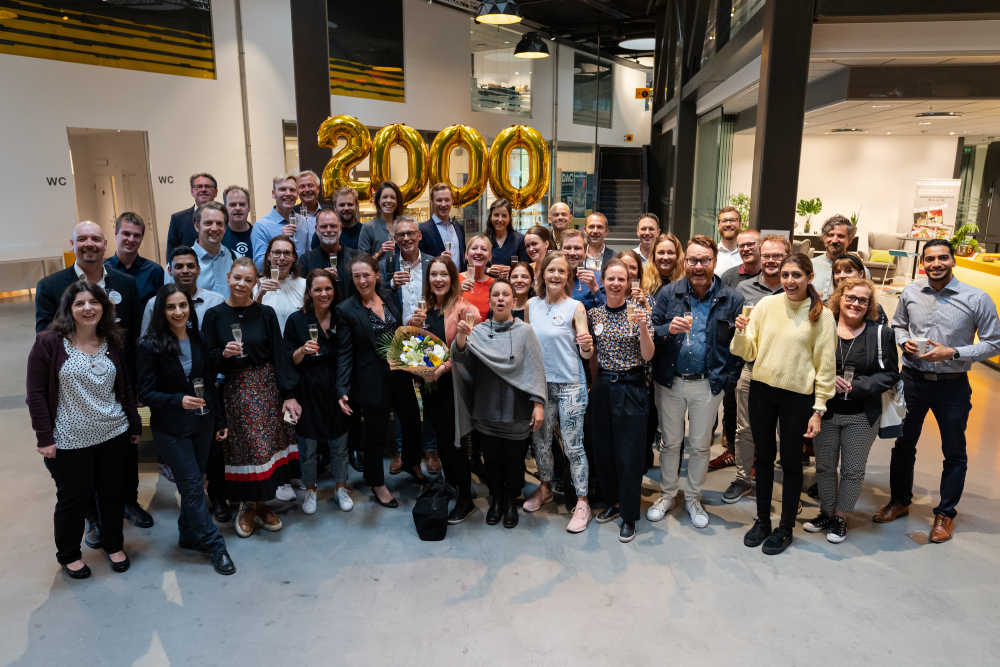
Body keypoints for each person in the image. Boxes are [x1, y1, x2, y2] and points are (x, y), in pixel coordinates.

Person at [877, 239, 1000, 543]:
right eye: (930, 259)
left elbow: (994, 342)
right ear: (923, 263)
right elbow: (899, 324)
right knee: (903, 445)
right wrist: (903, 340)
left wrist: (953, 353)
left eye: (942, 258)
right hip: (912, 382)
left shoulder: (977, 298)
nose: (936, 264)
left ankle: (945, 513)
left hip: (952, 387)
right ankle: (900, 501)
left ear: (953, 261)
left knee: (954, 452)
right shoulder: (910, 291)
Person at [34, 222, 147, 540]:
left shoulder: (125, 283)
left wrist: (136, 386)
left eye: (96, 238)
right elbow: (43, 334)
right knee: (82, 458)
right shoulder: (51, 285)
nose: (89, 244)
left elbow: (135, 336)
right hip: (74, 387)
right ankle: (92, 517)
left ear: (105, 244)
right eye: (82, 238)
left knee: (123, 451)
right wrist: (88, 316)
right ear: (72, 243)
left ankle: (129, 502)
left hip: (118, 382)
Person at [27, 281, 142, 578]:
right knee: (73, 499)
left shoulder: (112, 340)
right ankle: (68, 554)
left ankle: (113, 543)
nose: (87, 308)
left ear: (104, 307)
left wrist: (134, 422)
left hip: (113, 433)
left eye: (94, 302)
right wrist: (44, 437)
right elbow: (36, 393)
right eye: (79, 303)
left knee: (113, 493)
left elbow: (125, 385)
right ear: (69, 309)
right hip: (69, 439)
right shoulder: (49, 342)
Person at [731, 254, 835, 555]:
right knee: (762, 459)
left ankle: (785, 527)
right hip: (762, 391)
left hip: (797, 398)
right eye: (786, 275)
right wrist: (740, 330)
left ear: (809, 277)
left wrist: (819, 409)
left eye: (797, 275)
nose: (790, 281)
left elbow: (825, 366)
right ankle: (763, 520)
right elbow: (747, 352)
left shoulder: (821, 314)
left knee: (790, 464)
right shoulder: (766, 306)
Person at [136, 285, 235, 575]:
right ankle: (215, 545)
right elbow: (146, 393)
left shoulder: (198, 338)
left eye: (183, 305)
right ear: (161, 312)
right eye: (171, 307)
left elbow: (208, 382)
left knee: (195, 481)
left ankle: (187, 534)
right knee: (192, 485)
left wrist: (219, 421)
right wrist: (178, 400)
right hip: (171, 428)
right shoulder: (149, 346)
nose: (178, 312)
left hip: (202, 423)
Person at [202, 258, 302, 538]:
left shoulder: (266, 313)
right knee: (247, 450)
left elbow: (280, 355)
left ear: (256, 283)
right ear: (228, 277)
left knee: (267, 450)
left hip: (267, 388)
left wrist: (289, 394)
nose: (242, 284)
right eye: (237, 278)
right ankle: (247, 506)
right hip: (235, 390)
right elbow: (206, 359)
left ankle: (260, 505)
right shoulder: (214, 315)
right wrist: (223, 354)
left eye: (248, 280)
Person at [648, 236, 743, 528]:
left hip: (708, 383)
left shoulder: (733, 298)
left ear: (715, 262)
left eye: (704, 260)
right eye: (692, 260)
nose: (698, 266)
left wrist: (728, 380)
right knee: (670, 443)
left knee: (701, 446)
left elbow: (740, 345)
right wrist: (667, 328)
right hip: (670, 381)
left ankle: (692, 497)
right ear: (684, 262)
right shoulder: (669, 292)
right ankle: (667, 495)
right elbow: (650, 331)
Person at [802, 279, 898, 544]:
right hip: (825, 411)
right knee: (824, 467)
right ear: (840, 298)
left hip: (861, 414)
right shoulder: (822, 326)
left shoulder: (881, 334)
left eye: (863, 300)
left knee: (853, 470)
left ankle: (840, 518)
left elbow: (891, 374)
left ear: (869, 305)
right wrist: (827, 378)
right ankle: (826, 512)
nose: (856, 303)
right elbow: (804, 362)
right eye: (851, 297)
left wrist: (858, 386)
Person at [453, 278, 547, 529]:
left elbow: (536, 369)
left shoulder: (525, 331)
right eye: (496, 295)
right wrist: (461, 338)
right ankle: (495, 499)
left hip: (517, 410)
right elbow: (461, 360)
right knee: (491, 460)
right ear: (490, 301)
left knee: (514, 461)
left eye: (507, 294)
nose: (501, 299)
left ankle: (510, 500)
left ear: (514, 301)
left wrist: (538, 403)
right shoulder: (479, 331)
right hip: (486, 409)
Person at [336, 254, 427, 508]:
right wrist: (342, 388)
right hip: (370, 380)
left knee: (411, 421)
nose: (362, 280)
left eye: (367, 274)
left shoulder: (388, 295)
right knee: (375, 435)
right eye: (357, 276)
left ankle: (410, 462)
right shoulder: (345, 310)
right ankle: (376, 482)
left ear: (377, 275)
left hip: (399, 373)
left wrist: (416, 367)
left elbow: (398, 334)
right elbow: (345, 353)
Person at [522, 252, 595, 532]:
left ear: (568, 276)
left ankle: (582, 500)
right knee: (540, 441)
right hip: (541, 385)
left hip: (571, 385)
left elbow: (586, 352)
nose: (555, 275)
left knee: (574, 445)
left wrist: (587, 345)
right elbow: (529, 349)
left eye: (561, 272)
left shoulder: (576, 307)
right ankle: (545, 488)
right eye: (551, 270)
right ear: (542, 274)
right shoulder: (531, 305)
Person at [408, 257, 482, 523]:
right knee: (441, 441)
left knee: (455, 444)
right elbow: (414, 345)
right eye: (433, 275)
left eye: (444, 275)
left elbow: (472, 351)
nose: (438, 280)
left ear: (453, 278)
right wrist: (413, 326)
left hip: (454, 386)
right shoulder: (425, 308)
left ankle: (466, 500)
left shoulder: (465, 308)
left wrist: (442, 369)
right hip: (431, 388)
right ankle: (452, 485)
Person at [588, 259, 655, 543]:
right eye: (611, 279)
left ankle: (628, 515)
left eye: (621, 279)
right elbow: (591, 353)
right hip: (604, 387)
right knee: (603, 450)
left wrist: (642, 327)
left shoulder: (639, 312)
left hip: (632, 386)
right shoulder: (594, 315)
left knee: (629, 455)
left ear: (629, 283)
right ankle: (612, 502)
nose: (616, 283)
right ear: (602, 281)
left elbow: (649, 355)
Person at [722, 234, 789, 504]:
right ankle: (742, 478)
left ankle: (786, 488)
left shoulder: (797, 289)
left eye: (778, 256)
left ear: (787, 256)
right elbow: (734, 329)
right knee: (744, 429)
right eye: (768, 255)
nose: (771, 260)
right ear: (760, 257)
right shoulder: (745, 289)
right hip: (752, 368)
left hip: (788, 373)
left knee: (786, 432)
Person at [284, 270, 353, 514]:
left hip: (337, 387)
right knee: (308, 445)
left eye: (328, 289)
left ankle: (340, 488)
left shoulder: (342, 316)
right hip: (307, 389)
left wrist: (343, 388)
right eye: (318, 290)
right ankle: (310, 490)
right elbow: (288, 359)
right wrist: (302, 350)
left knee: (339, 443)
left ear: (335, 291)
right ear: (309, 292)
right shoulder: (296, 320)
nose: (323, 294)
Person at [711, 227, 762, 472]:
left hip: (763, 356)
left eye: (752, 244)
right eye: (742, 245)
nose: (746, 249)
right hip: (735, 352)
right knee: (730, 406)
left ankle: (755, 459)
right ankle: (732, 451)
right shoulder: (730, 276)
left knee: (758, 411)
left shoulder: (774, 278)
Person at [140, 247, 225, 336]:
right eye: (179, 266)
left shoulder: (216, 302)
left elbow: (223, 339)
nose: (185, 271)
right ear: (170, 271)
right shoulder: (154, 303)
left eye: (190, 266)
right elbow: (145, 342)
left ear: (198, 270)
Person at [166, 202, 235, 299]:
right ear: (196, 226)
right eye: (208, 223)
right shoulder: (177, 265)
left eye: (219, 223)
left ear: (225, 227)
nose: (214, 228)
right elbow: (170, 301)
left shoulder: (236, 259)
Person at [104, 212, 163, 312]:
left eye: (136, 235)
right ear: (116, 234)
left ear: (142, 238)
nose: (131, 239)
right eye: (126, 234)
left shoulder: (155, 271)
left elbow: (161, 307)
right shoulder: (102, 268)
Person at [380, 216, 433, 325]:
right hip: (398, 335)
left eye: (410, 233)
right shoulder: (386, 265)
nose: (405, 238)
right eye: (401, 234)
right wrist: (391, 285)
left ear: (419, 236)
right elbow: (375, 297)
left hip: (429, 333)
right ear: (395, 239)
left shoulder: (432, 264)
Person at [298, 206, 359, 300]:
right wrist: (319, 278)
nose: (329, 230)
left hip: (350, 314)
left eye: (333, 226)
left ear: (340, 228)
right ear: (316, 230)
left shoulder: (357, 258)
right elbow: (301, 293)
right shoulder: (305, 260)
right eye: (323, 226)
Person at [252, 173, 310, 270]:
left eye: (292, 190)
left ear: (297, 194)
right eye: (282, 189)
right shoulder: (261, 226)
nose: (288, 193)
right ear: (273, 194)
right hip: (275, 283)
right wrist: (280, 241)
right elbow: (258, 266)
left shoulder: (302, 221)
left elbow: (308, 256)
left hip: (300, 282)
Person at [255, 236, 306, 334]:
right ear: (268, 256)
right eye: (277, 253)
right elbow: (252, 323)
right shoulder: (255, 285)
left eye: (287, 253)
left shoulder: (305, 285)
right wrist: (259, 295)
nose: (282, 258)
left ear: (294, 257)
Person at [812, 214, 867, 300]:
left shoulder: (859, 270)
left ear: (850, 239)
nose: (834, 240)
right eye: (830, 235)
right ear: (824, 238)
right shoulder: (809, 266)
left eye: (840, 236)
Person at [166, 172, 216, 261]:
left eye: (207, 186)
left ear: (215, 192)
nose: (203, 189)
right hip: (188, 272)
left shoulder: (225, 217)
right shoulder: (178, 219)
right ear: (192, 192)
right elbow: (171, 253)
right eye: (199, 186)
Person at [418, 183, 466, 271]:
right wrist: (438, 261)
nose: (443, 204)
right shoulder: (422, 230)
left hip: (460, 281)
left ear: (452, 201)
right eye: (439, 200)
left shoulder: (459, 228)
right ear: (432, 201)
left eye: (447, 200)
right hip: (437, 282)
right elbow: (419, 262)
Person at [830, 254, 888, 323]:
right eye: (837, 272)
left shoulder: (875, 309)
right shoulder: (827, 305)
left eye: (849, 271)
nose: (842, 276)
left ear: (861, 274)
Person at [359, 181, 403, 261]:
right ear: (378, 201)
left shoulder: (404, 226)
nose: (389, 200)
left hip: (402, 272)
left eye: (393, 197)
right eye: (385, 197)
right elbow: (362, 261)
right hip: (379, 272)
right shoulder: (368, 227)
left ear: (397, 202)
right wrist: (379, 254)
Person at [561, 229, 605, 311]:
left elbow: (607, 315)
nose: (572, 253)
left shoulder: (599, 279)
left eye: (577, 248)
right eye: (567, 248)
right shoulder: (553, 278)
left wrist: (594, 289)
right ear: (560, 251)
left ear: (585, 252)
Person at [640, 232, 685, 309]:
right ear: (654, 256)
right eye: (661, 253)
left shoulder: (686, 283)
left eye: (671, 253)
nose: (666, 257)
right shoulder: (643, 283)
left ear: (677, 256)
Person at [486, 198, 529, 275]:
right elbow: (475, 264)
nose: (500, 219)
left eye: (504, 216)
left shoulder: (519, 239)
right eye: (496, 215)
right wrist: (487, 269)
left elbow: (525, 266)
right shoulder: (484, 240)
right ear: (490, 217)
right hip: (489, 284)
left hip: (512, 284)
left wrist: (514, 270)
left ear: (509, 219)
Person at [460, 234, 495, 321]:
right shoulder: (455, 280)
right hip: (461, 333)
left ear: (489, 257)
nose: (479, 252)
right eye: (474, 248)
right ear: (466, 255)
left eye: (484, 249)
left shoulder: (494, 284)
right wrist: (456, 292)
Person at [222, 185, 254, 259]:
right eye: (233, 205)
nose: (238, 208)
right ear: (225, 209)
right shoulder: (219, 237)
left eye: (242, 204)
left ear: (249, 207)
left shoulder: (258, 234)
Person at [293, 170, 322, 245]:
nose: (307, 190)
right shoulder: (291, 213)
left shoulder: (331, 212)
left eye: (310, 185)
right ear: (297, 191)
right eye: (302, 187)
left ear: (318, 189)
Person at [332, 186, 363, 250]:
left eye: (350, 204)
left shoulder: (365, 231)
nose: (346, 208)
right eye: (342, 205)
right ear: (335, 207)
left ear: (357, 205)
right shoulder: (327, 233)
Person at [715, 206, 743, 275]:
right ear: (718, 226)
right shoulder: (711, 254)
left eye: (733, 220)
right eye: (724, 221)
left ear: (740, 225)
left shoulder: (748, 254)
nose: (728, 224)